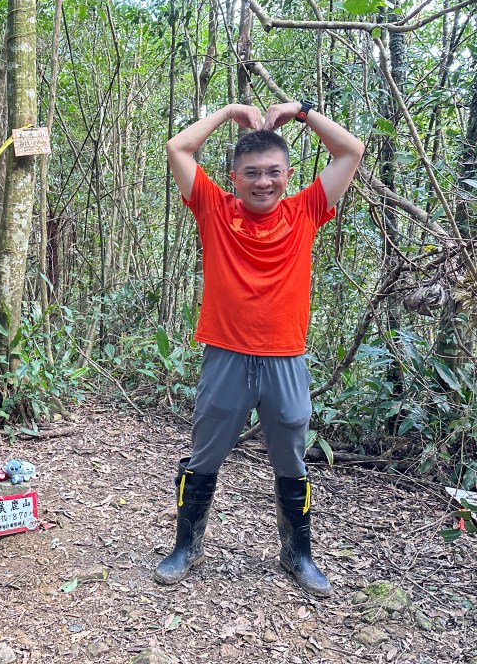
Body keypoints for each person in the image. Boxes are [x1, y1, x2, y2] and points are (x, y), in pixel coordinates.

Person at [155, 99, 364, 597]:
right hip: (226, 354)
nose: (263, 181)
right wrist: (229, 112)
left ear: (288, 175)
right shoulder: (214, 208)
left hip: (285, 356)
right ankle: (186, 546)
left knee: (291, 456)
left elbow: (351, 151)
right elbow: (178, 148)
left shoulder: (305, 210)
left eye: (273, 172)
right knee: (204, 454)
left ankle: (298, 553)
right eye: (251, 172)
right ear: (234, 178)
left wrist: (301, 111)